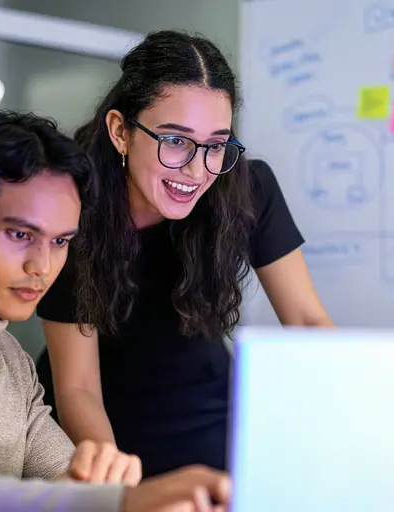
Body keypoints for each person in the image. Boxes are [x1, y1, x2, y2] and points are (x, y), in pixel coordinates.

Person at [0, 110, 231, 512]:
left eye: (61, 241)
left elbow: (68, 485)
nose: (42, 267)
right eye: (20, 234)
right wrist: (114, 501)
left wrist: (109, 485)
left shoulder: (12, 362)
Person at [34, 29, 334, 478]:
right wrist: (119, 491)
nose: (197, 170)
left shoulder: (248, 190)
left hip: (211, 420)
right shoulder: (71, 208)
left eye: (216, 144)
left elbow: (308, 323)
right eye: (175, 140)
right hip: (101, 434)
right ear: (120, 131)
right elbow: (78, 390)